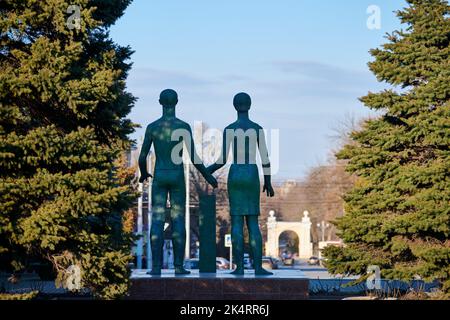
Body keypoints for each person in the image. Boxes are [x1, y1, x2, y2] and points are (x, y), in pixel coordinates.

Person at [139, 89, 218, 275]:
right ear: (177, 102)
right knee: (178, 220)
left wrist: (144, 173)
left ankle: (156, 267)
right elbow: (195, 157)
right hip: (176, 176)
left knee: (157, 220)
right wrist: (207, 175)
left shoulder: (152, 127)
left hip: (159, 174)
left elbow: (143, 157)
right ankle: (178, 266)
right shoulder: (183, 126)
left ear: (160, 102)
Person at [207, 92, 275, 276]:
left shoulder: (230, 129)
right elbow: (265, 159)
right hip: (251, 173)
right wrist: (267, 181)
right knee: (252, 222)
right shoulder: (257, 129)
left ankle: (239, 268)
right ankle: (258, 268)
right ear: (250, 105)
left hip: (236, 173)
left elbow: (221, 160)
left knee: (236, 221)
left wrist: (207, 171)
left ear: (235, 106)